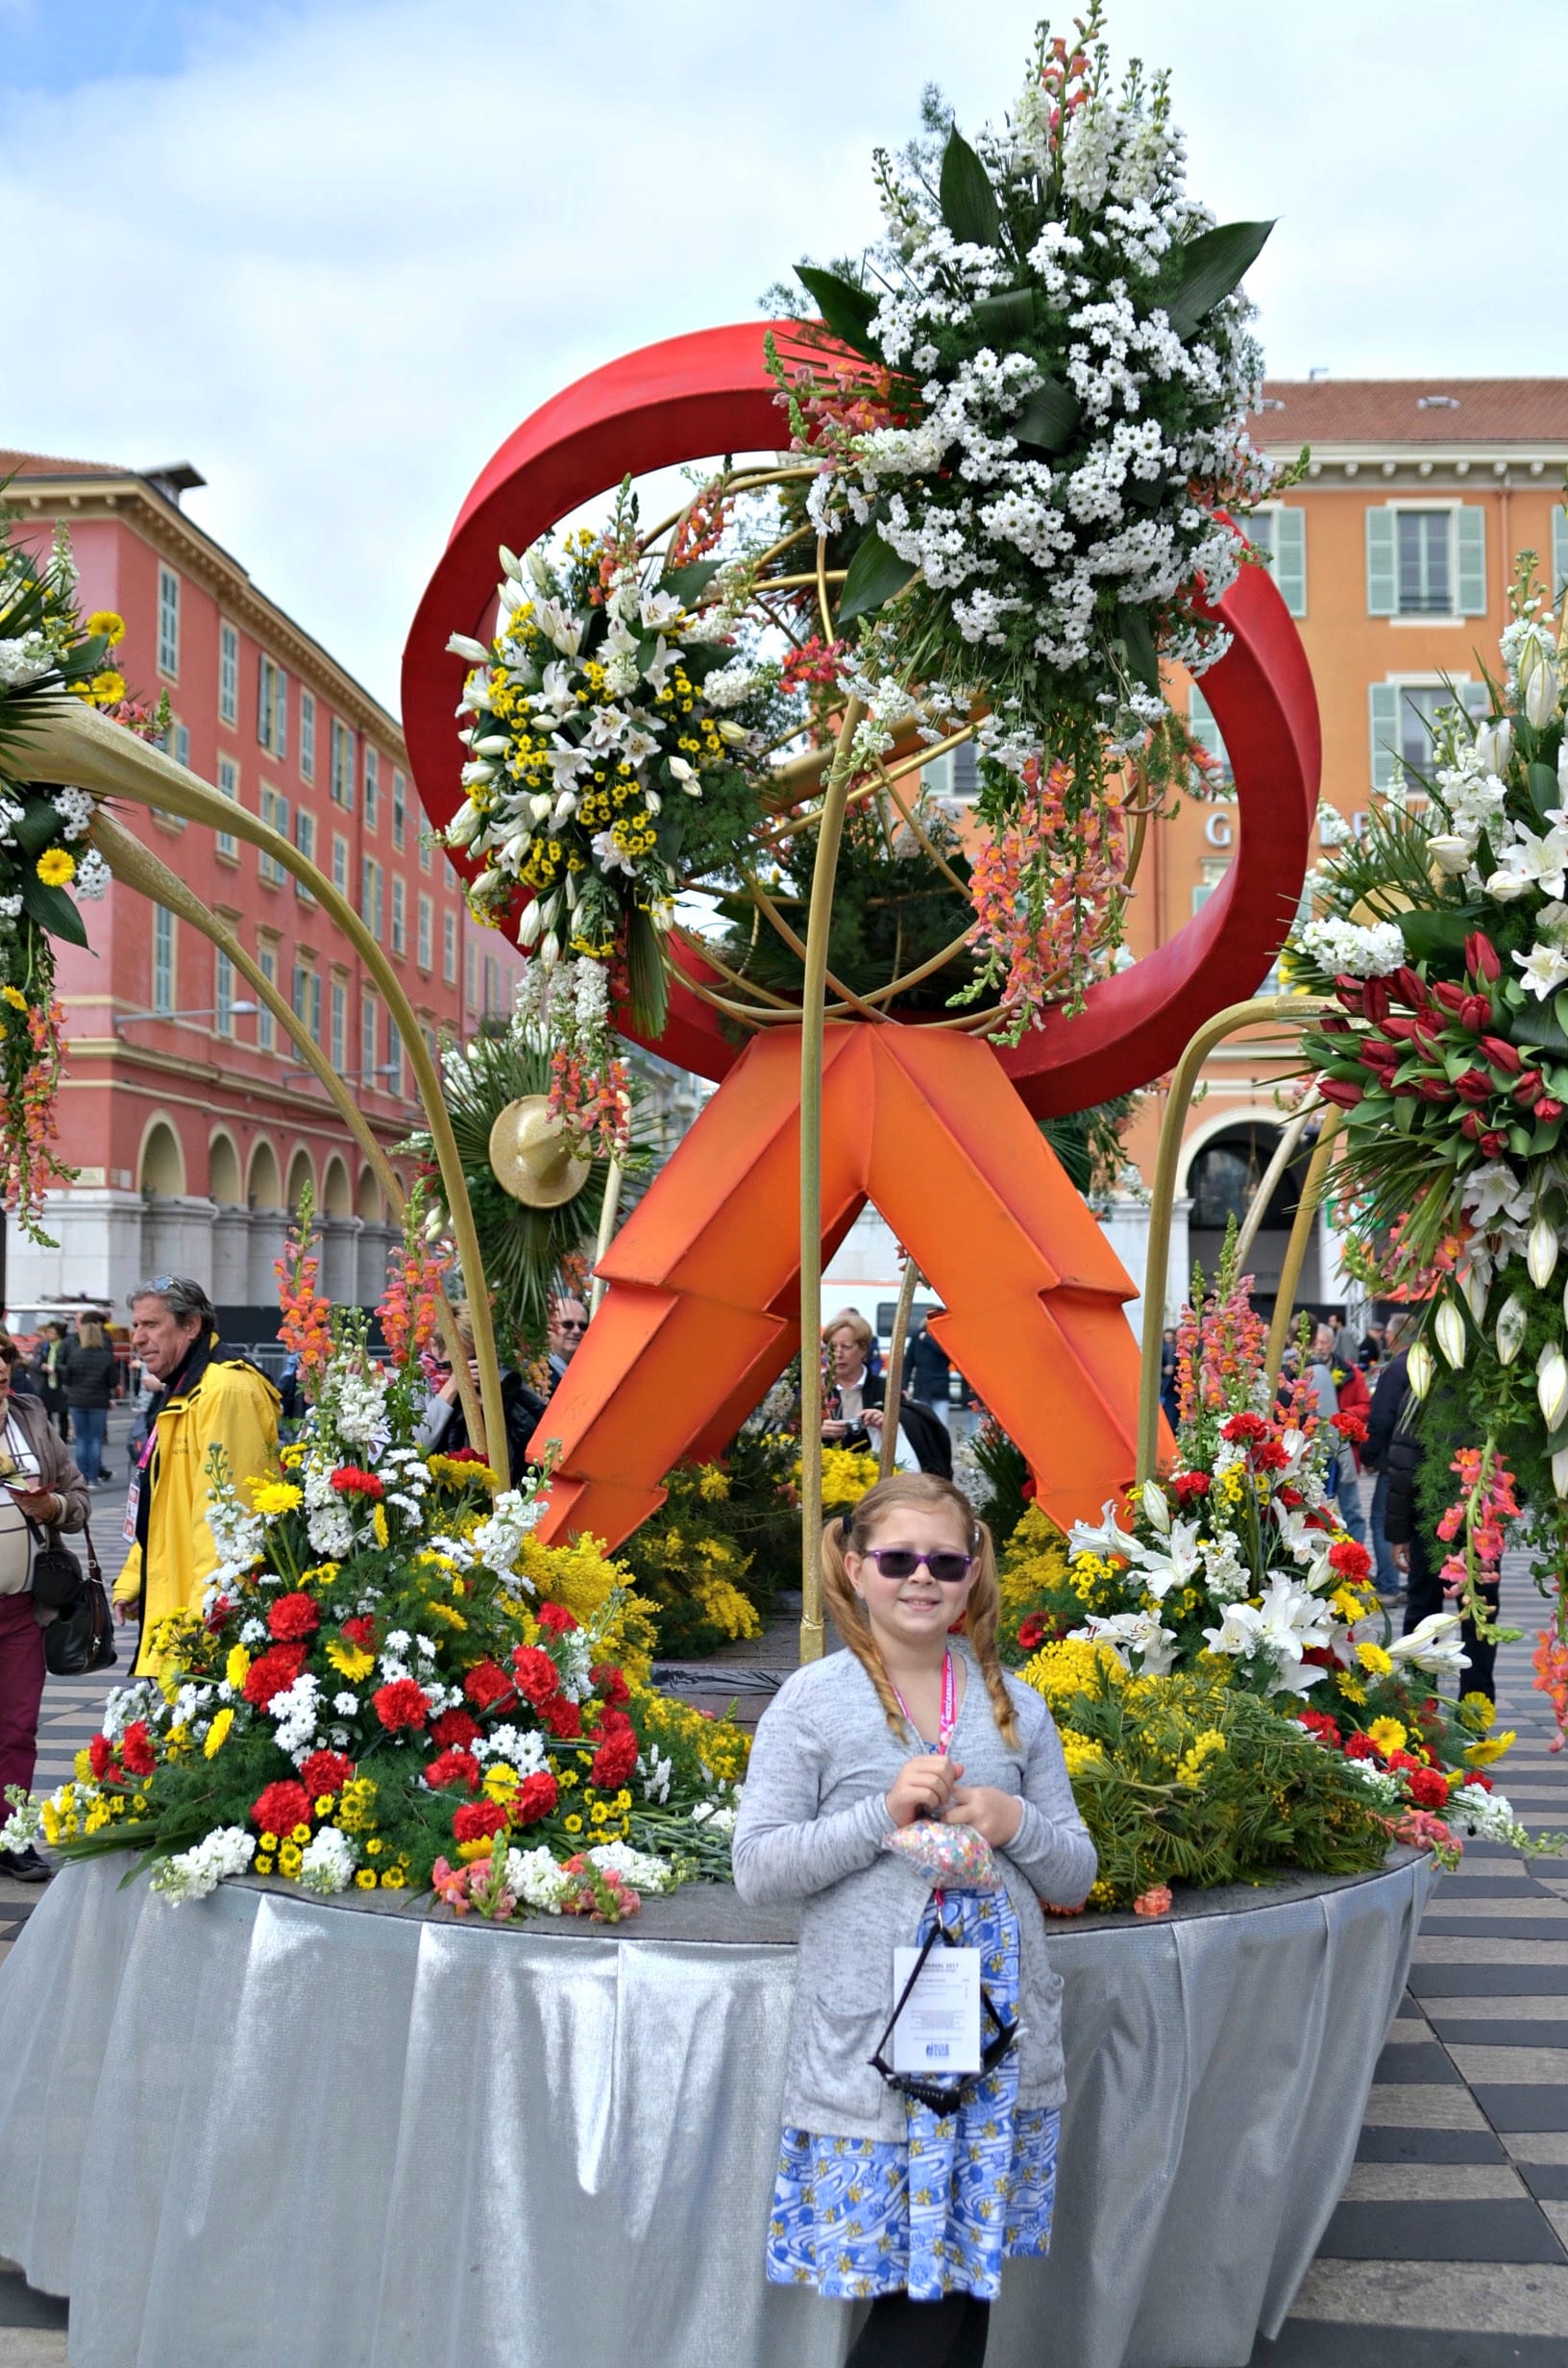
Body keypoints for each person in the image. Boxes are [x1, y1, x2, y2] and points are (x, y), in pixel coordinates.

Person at [733, 1472, 1095, 2367]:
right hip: (877, 2056)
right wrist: (877, 1817)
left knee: (967, 2290)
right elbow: (758, 1869)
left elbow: (1077, 1872)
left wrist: (1017, 1824)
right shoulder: (814, 1703)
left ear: (974, 1573)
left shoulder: (1016, 1703)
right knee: (913, 2304)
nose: (921, 1578)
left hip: (994, 2045)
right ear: (856, 1569)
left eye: (944, 1560)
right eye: (898, 1559)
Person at [110, 1277, 281, 1677]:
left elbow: (230, 1522)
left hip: (206, 1627)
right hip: (180, 1608)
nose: (137, 1338)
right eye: (136, 1325)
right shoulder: (188, 1389)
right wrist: (136, 1578)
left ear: (191, 1326)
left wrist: (210, 1625)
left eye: (151, 1325)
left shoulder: (225, 1391)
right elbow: (163, 1502)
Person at [0, 1328, 90, 1882]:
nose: (2, 1377)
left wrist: (54, 1505)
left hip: (21, 1610)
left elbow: (78, 1497)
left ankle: (10, 1836)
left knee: (16, 1729)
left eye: (4, 1367)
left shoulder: (29, 1417)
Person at [1367, 1323, 1497, 1698]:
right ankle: (1473, 1705)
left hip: (1439, 1517)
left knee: (1427, 1610)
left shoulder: (1419, 1376)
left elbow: (1402, 1460)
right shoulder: (1489, 1379)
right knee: (1475, 1615)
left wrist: (1397, 1534)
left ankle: (1422, 1703)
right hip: (1471, 1520)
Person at [418, 1300, 548, 1488]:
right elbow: (417, 1447)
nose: (471, 1371)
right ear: (434, 1347)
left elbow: (512, 1466)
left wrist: (490, 1410)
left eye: (475, 1361)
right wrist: (453, 1385)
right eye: (460, 1360)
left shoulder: (497, 1383)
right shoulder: (416, 1382)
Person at [825, 1310, 951, 1479]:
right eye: (832, 1347)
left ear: (864, 1350)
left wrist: (888, 1422)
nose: (838, 1354)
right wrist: (816, 1432)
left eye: (846, 1347)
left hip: (877, 1482)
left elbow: (916, 1428)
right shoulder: (812, 1389)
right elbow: (789, 1434)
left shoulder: (886, 1390)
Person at [1362, 1311, 1409, 1602]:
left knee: (1382, 1518)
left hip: (1395, 1457)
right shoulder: (1426, 1365)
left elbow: (1381, 1417)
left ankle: (1388, 1584)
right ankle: (1414, 1579)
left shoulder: (1395, 1369)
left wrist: (1369, 1453)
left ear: (1395, 1336)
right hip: (1419, 1458)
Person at [59, 1314, 117, 1488]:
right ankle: (93, 1476)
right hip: (98, 1401)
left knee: (81, 1439)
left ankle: (82, 1475)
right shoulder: (105, 1356)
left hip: (77, 1400)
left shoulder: (75, 1356)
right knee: (95, 1439)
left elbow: (67, 1378)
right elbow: (112, 1381)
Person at [902, 1313, 951, 1413]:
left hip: (939, 1390)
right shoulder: (917, 1336)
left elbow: (946, 1352)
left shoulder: (945, 1336)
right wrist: (904, 1387)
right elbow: (908, 1364)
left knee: (940, 1425)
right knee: (921, 1424)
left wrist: (928, 1339)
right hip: (921, 1389)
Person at [33, 1321, 69, 1440]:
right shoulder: (46, 1346)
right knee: (47, 1412)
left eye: (51, 1332)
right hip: (48, 1383)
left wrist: (54, 1368)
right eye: (47, 1332)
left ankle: (63, 1438)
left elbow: (67, 1366)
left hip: (61, 1384)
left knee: (63, 1413)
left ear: (58, 1335)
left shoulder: (63, 1346)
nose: (48, 1335)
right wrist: (43, 1367)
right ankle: (51, 1438)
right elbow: (39, 1363)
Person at [546, 1295, 589, 1394]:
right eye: (567, 1324)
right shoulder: (532, 1374)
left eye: (583, 1326)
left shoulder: (592, 1372)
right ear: (549, 1328)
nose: (577, 1331)